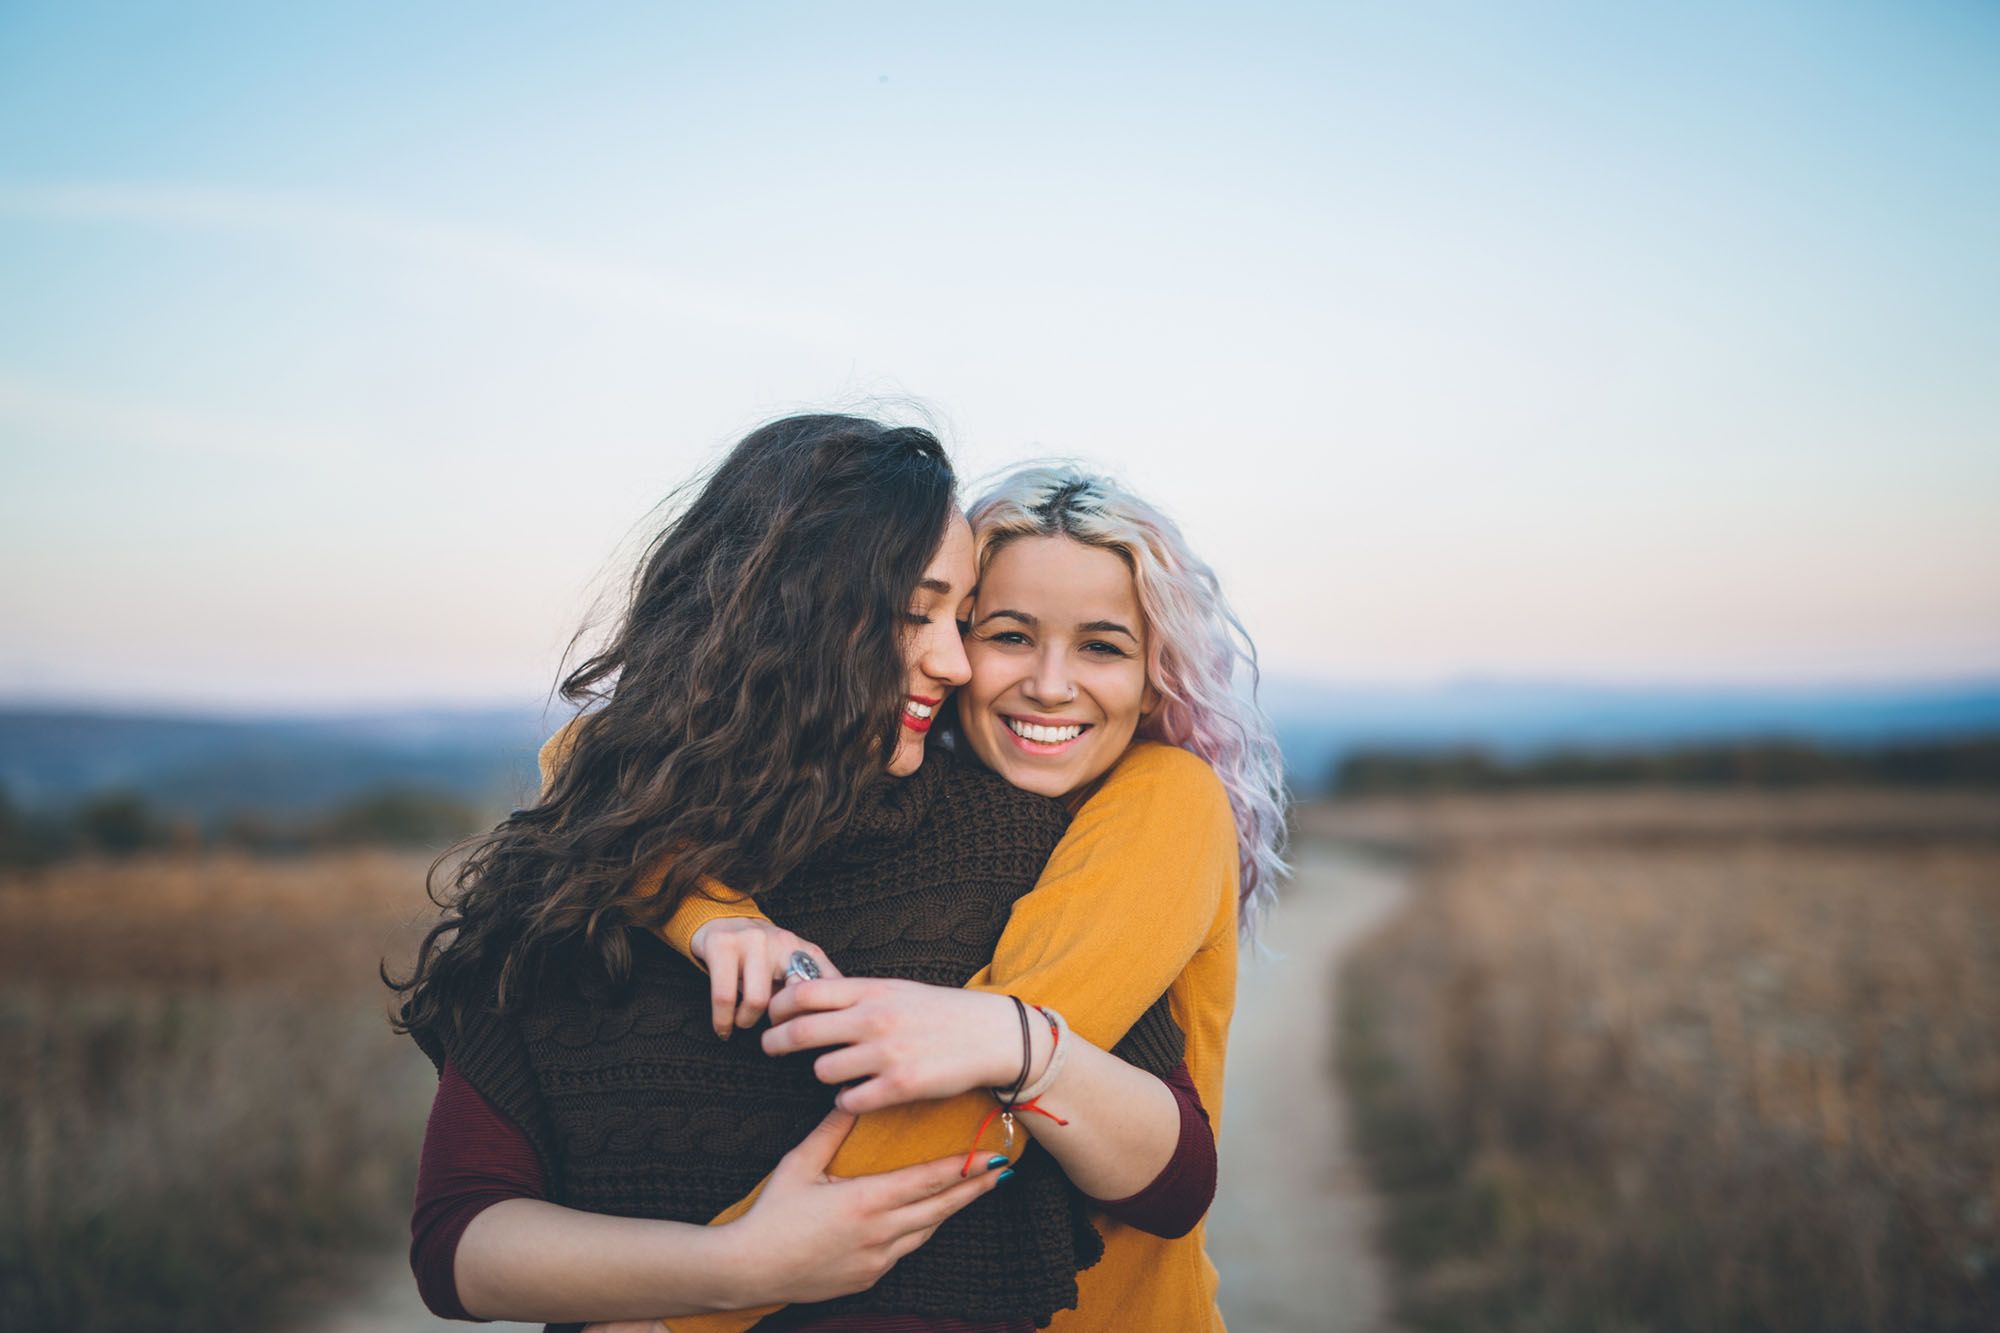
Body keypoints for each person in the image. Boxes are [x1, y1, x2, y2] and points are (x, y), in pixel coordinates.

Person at [391, 418, 1206, 1330]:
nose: (956, 660)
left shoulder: (1014, 845)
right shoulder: (576, 877)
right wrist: (730, 1266)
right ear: (780, 614)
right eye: (917, 613)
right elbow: (457, 1241)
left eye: (961, 618)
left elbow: (1177, 1183)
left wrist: (1018, 1044)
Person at [618, 463, 1287, 1333]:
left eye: (1102, 645)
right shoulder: (906, 780)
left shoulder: (1168, 796)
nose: (1050, 684)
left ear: (1158, 674)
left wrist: (693, 1305)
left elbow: (971, 1073)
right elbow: (595, 766)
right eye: (1008, 635)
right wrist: (716, 918)